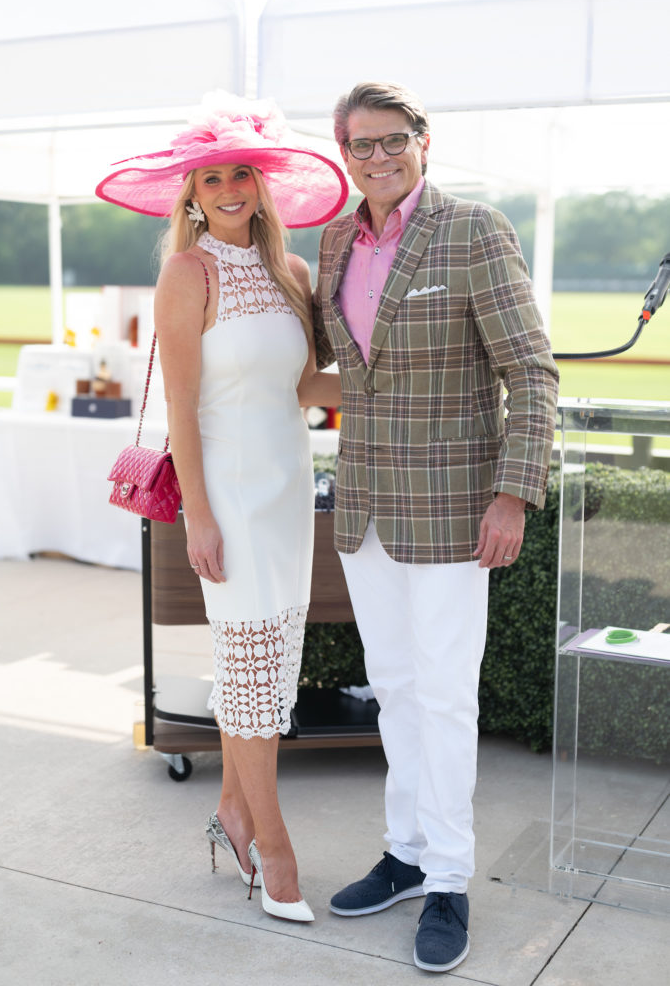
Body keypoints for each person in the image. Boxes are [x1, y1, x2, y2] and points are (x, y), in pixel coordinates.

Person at [312, 82, 559, 972]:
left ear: (423, 140)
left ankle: (448, 878)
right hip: (368, 505)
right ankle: (405, 853)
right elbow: (340, 371)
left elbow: (531, 373)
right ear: (343, 153)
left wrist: (513, 494)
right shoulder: (336, 238)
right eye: (359, 146)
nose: (376, 159)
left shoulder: (474, 230)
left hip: (458, 510)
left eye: (391, 141)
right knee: (397, 688)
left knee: (447, 697)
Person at [96, 95, 347, 922]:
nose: (231, 188)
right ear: (192, 192)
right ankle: (272, 844)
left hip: (286, 491)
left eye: (243, 172)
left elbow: (306, 388)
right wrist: (197, 515)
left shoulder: (294, 273)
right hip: (229, 503)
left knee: (270, 669)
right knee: (245, 674)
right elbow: (183, 408)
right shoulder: (186, 273)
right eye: (213, 177)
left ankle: (235, 814)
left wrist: (398, 381)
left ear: (262, 183)